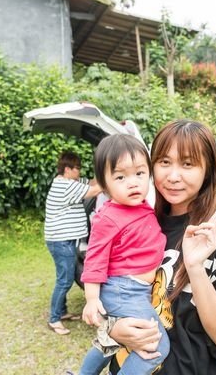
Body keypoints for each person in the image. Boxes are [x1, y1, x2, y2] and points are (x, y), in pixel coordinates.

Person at [106, 119, 216, 375]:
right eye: (164, 162)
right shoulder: (139, 224)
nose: (173, 176)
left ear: (208, 171)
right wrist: (112, 328)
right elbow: (113, 293)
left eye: (188, 164)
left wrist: (196, 268)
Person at [79, 134, 169, 375]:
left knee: (110, 342)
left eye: (140, 173)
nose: (133, 183)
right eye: (120, 177)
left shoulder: (142, 205)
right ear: (104, 184)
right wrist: (91, 299)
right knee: (156, 345)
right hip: (123, 290)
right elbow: (94, 259)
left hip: (135, 290)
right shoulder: (108, 217)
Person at [45, 151, 101, 335]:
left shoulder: (72, 182)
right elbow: (95, 190)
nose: (80, 171)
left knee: (63, 277)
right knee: (65, 280)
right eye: (77, 168)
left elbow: (92, 183)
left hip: (63, 241)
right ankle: (54, 319)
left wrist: (104, 172)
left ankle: (62, 312)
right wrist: (114, 179)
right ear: (67, 169)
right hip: (61, 242)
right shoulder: (64, 186)